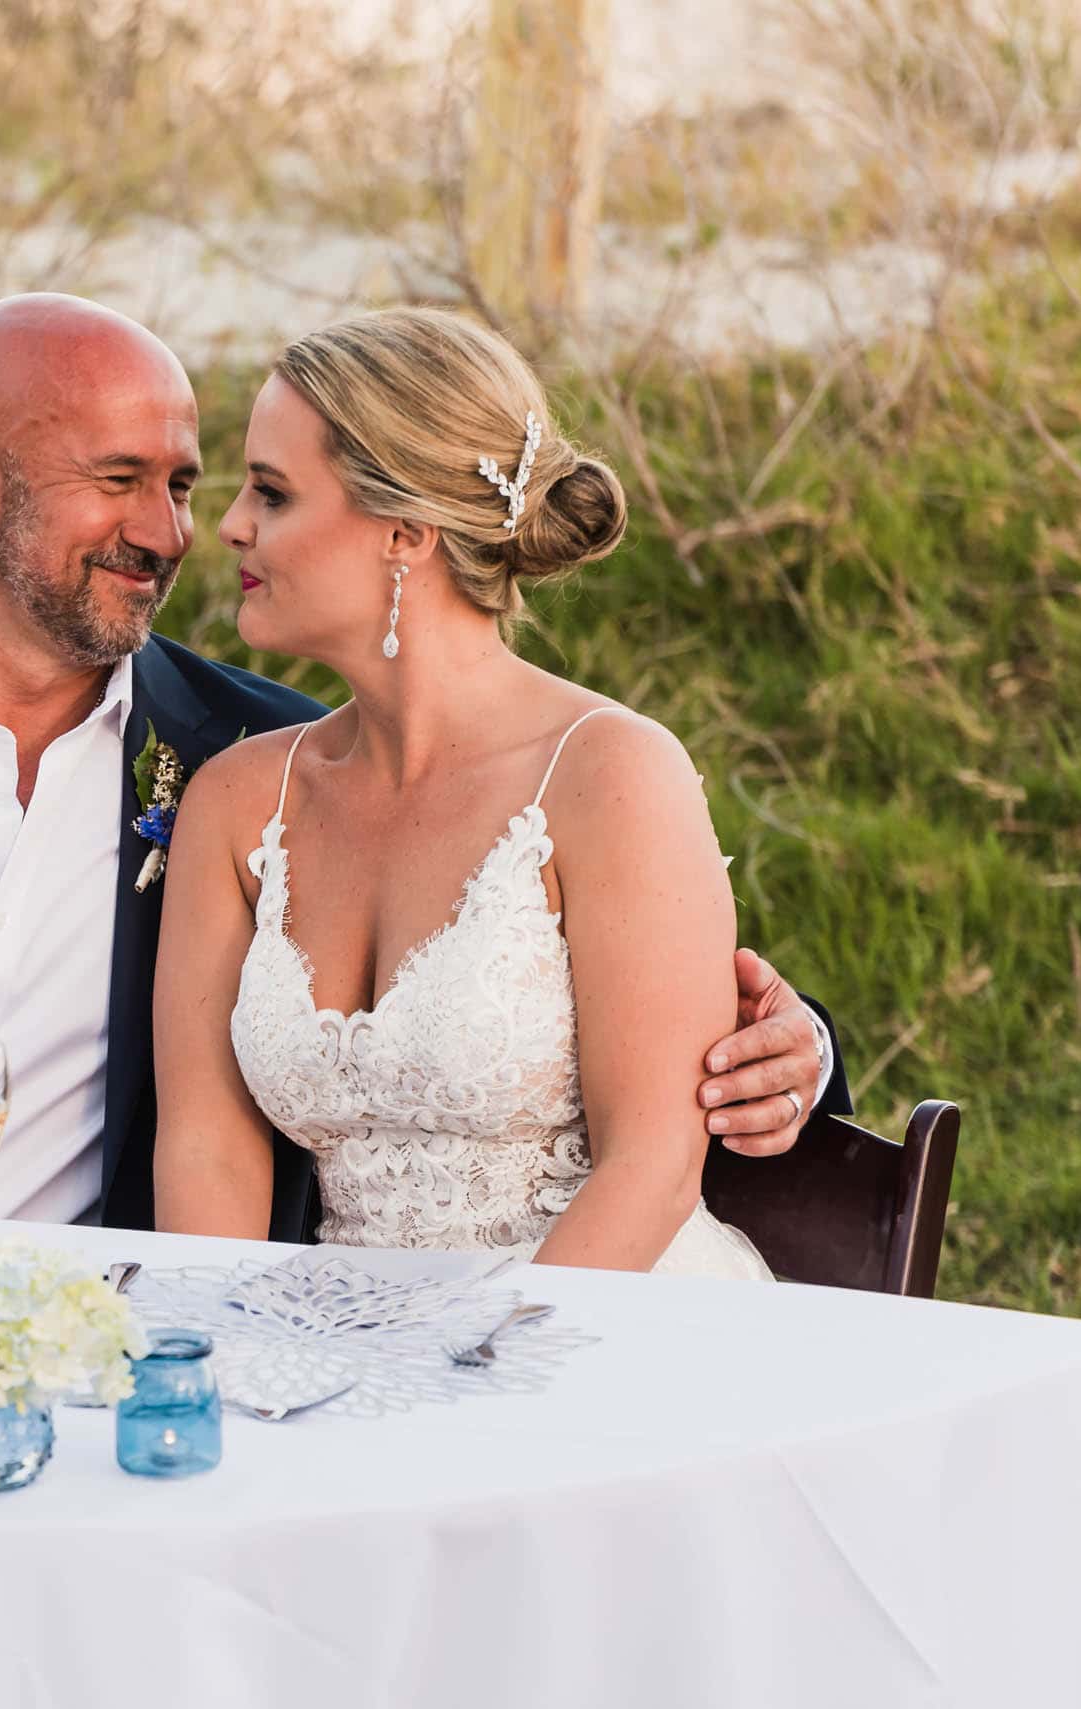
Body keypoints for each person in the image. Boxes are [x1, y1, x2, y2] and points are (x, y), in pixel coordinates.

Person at [0, 294, 846, 1241]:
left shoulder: (221, 757)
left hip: (91, 1356)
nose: (174, 532)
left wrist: (801, 1049)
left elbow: (626, 994)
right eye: (119, 480)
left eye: (201, 485)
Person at [152, 306, 819, 1272]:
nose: (230, 524)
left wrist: (469, 1378)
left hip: (596, 1330)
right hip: (343, 1343)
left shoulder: (611, 773)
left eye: (272, 493)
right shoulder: (236, 801)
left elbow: (653, 1165)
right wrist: (215, 1376)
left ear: (404, 532)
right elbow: (205, 1147)